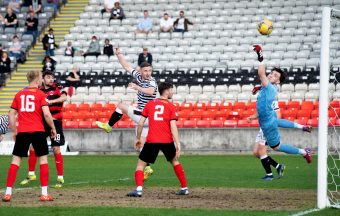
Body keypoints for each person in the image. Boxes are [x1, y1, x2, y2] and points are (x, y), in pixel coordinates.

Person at [96, 48, 157, 180]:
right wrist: (119, 54)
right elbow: (126, 66)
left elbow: (151, 92)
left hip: (146, 116)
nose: (148, 73)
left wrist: (137, 87)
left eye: (150, 71)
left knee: (121, 106)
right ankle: (147, 168)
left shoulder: (151, 81)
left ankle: (109, 126)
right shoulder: (138, 76)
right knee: (141, 144)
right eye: (146, 71)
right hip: (144, 119)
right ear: (141, 71)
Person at [2, 70, 56, 202]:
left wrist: (14, 130)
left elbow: (11, 115)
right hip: (38, 131)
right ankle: (44, 194)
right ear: (38, 80)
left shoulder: (19, 94)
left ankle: (7, 193)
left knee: (15, 161)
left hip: (23, 131)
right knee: (43, 160)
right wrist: (53, 128)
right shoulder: (41, 94)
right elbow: (47, 114)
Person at [252, 45, 312, 163]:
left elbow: (261, 73)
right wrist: (258, 88)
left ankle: (303, 151)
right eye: (272, 73)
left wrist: (260, 56)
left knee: (273, 148)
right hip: (266, 120)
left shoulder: (270, 87)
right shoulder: (268, 87)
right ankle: (303, 144)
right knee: (271, 147)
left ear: (278, 81)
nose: (271, 75)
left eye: (275, 75)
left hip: (268, 123)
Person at [127, 82, 188, 197]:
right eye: (171, 89)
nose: (172, 92)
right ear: (166, 90)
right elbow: (173, 126)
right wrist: (177, 143)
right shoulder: (171, 106)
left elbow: (140, 123)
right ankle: (184, 188)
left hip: (152, 141)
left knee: (141, 165)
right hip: (167, 140)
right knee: (175, 161)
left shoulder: (150, 104)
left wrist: (138, 138)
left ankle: (139, 189)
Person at [247, 92, 313, 180]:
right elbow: (259, 112)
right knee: (256, 152)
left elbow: (278, 117)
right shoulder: (261, 101)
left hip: (269, 127)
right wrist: (251, 117)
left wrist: (271, 123)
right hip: (263, 128)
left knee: (263, 151)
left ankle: (269, 175)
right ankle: (279, 166)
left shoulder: (272, 101)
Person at [20, 71, 67, 188]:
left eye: (53, 77)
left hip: (55, 122)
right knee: (33, 147)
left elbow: (64, 97)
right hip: (42, 123)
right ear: (43, 79)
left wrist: (50, 102)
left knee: (56, 148)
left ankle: (60, 177)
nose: (52, 79)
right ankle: (31, 174)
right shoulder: (39, 89)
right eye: (48, 77)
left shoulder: (58, 87)